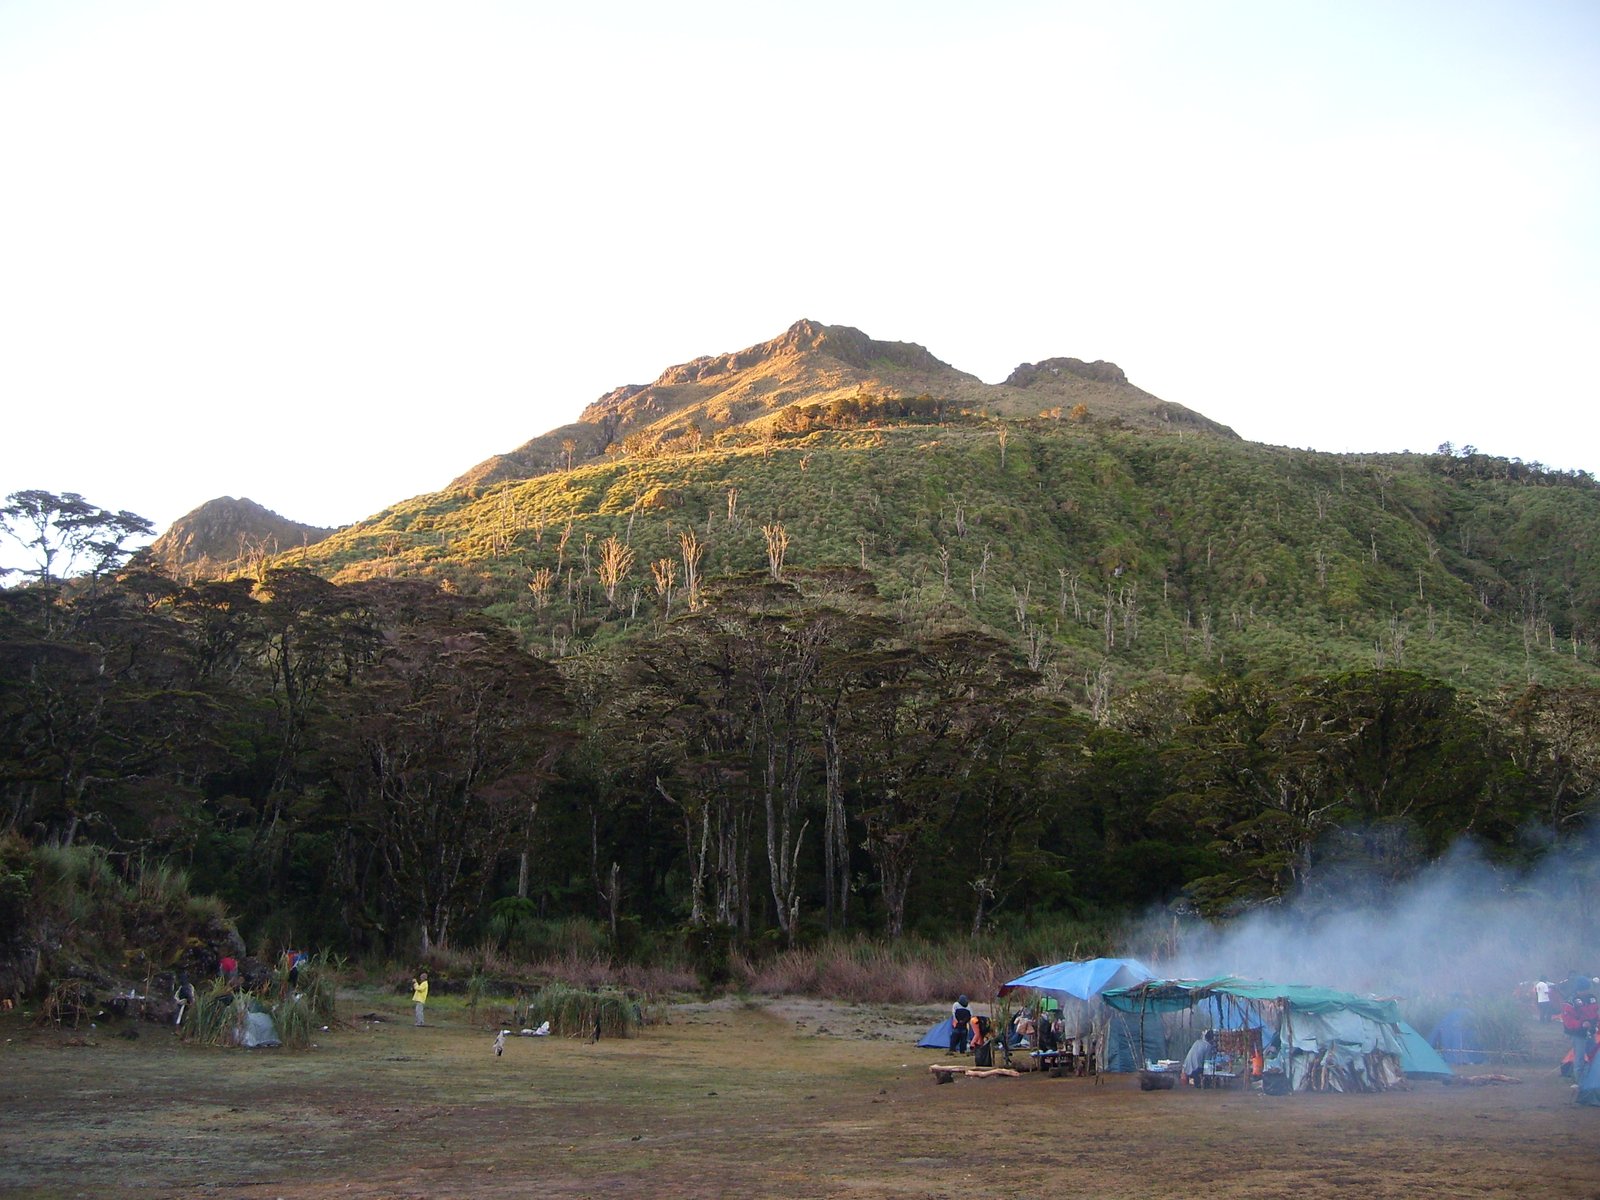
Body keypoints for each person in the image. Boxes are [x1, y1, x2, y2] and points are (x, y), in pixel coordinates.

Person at [1561, 980, 1598, 1075]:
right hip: (1577, 1033)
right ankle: (1579, 1080)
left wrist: (1595, 1024)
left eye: (1587, 990)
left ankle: (1590, 1076)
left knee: (1593, 1054)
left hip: (1591, 1031)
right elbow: (1568, 1021)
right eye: (1583, 990)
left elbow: (1595, 1013)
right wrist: (1581, 1024)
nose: (1585, 992)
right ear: (1578, 990)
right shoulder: (1570, 1002)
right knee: (1580, 1057)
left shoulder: (1591, 998)